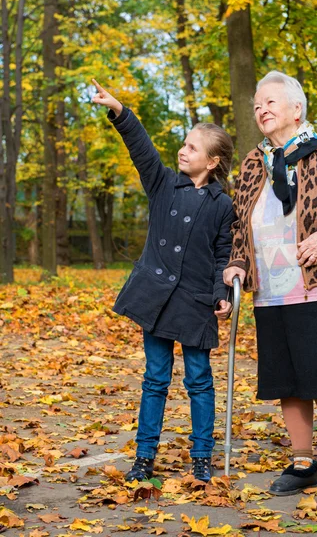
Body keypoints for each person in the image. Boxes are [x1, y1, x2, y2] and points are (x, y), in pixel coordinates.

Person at [223, 71, 317, 507]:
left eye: (270, 102)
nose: (261, 110)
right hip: (271, 288)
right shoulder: (255, 163)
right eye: (256, 105)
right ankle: (303, 462)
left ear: (296, 109)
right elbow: (239, 225)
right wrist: (236, 265)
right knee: (287, 380)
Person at [92, 79, 234, 483]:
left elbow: (222, 255)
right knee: (155, 378)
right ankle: (144, 457)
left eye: (192, 147)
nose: (183, 150)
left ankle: (202, 457)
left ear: (211, 162)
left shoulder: (223, 205)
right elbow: (141, 147)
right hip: (155, 299)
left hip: (194, 305)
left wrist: (220, 293)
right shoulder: (162, 184)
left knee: (199, 381)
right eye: (184, 143)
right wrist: (120, 110)